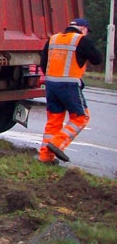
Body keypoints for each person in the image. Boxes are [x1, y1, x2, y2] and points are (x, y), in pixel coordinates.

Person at [38, 18, 103, 164]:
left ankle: (45, 157)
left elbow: (43, 63)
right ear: (82, 28)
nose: (86, 34)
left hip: (51, 85)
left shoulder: (53, 39)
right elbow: (97, 59)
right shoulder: (81, 40)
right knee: (81, 117)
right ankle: (57, 143)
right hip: (69, 86)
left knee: (54, 121)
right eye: (86, 31)